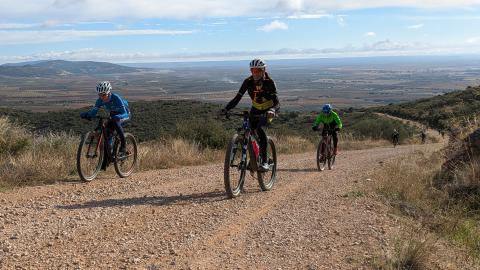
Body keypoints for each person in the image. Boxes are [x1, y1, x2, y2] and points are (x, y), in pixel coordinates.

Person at [222, 58, 280, 171]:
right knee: (250, 130)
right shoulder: (247, 81)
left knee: (259, 129)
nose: (255, 73)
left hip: (269, 110)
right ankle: (254, 156)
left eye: (258, 70)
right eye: (253, 70)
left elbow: (277, 102)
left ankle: (264, 162)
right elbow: (237, 98)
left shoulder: (270, 82)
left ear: (264, 70)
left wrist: (272, 111)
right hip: (256, 109)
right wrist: (226, 108)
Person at [80, 81, 131, 157]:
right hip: (113, 115)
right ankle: (108, 156)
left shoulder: (116, 97)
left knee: (115, 122)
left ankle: (123, 146)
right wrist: (87, 115)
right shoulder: (99, 100)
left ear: (109, 92)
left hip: (124, 114)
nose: (101, 97)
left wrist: (118, 117)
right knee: (107, 133)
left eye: (104, 95)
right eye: (99, 95)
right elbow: (93, 112)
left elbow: (124, 113)